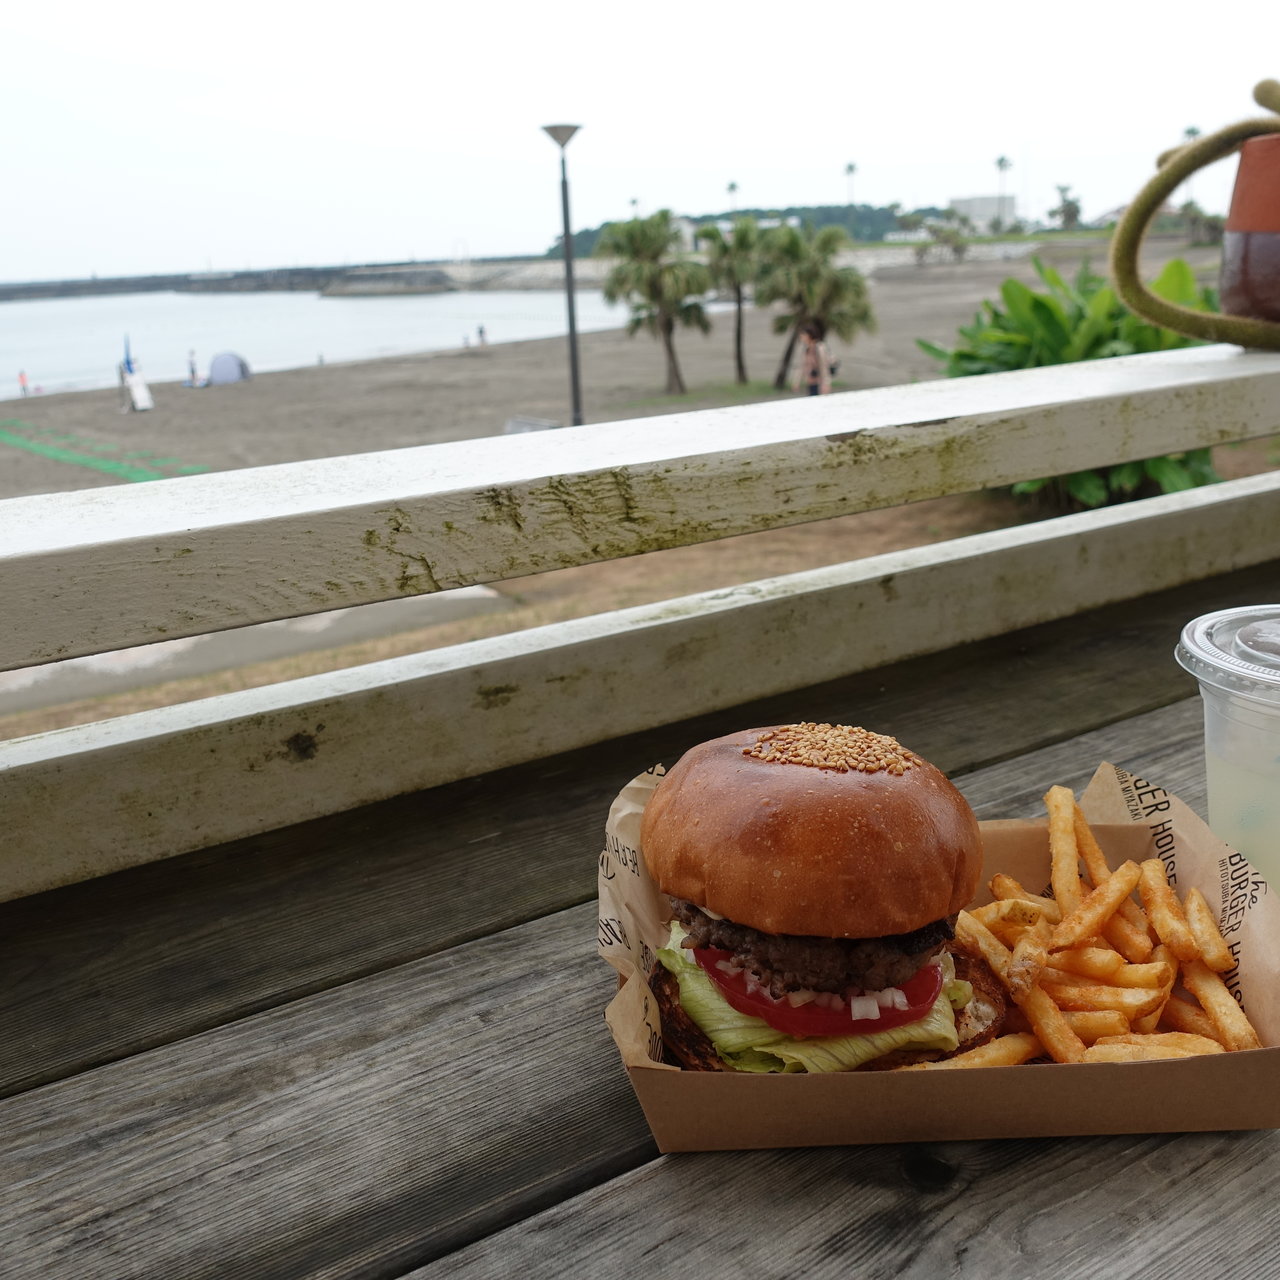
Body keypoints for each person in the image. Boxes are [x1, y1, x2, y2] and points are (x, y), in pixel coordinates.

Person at [792, 322, 833, 396]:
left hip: (819, 384)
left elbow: (824, 367)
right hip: (810, 383)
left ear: (810, 335)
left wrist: (826, 384)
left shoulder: (819, 347)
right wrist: (797, 382)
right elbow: (802, 366)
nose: (801, 337)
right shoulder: (806, 349)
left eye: (803, 334)